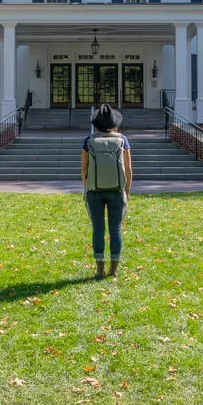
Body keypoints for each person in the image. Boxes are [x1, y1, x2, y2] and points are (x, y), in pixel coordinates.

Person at [81, 104, 133, 279]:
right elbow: (128, 169)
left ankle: (99, 269)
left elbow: (84, 169)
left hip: (94, 190)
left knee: (98, 228)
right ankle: (114, 269)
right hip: (116, 190)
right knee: (115, 228)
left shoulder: (88, 140)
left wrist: (87, 187)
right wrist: (127, 191)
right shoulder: (122, 140)